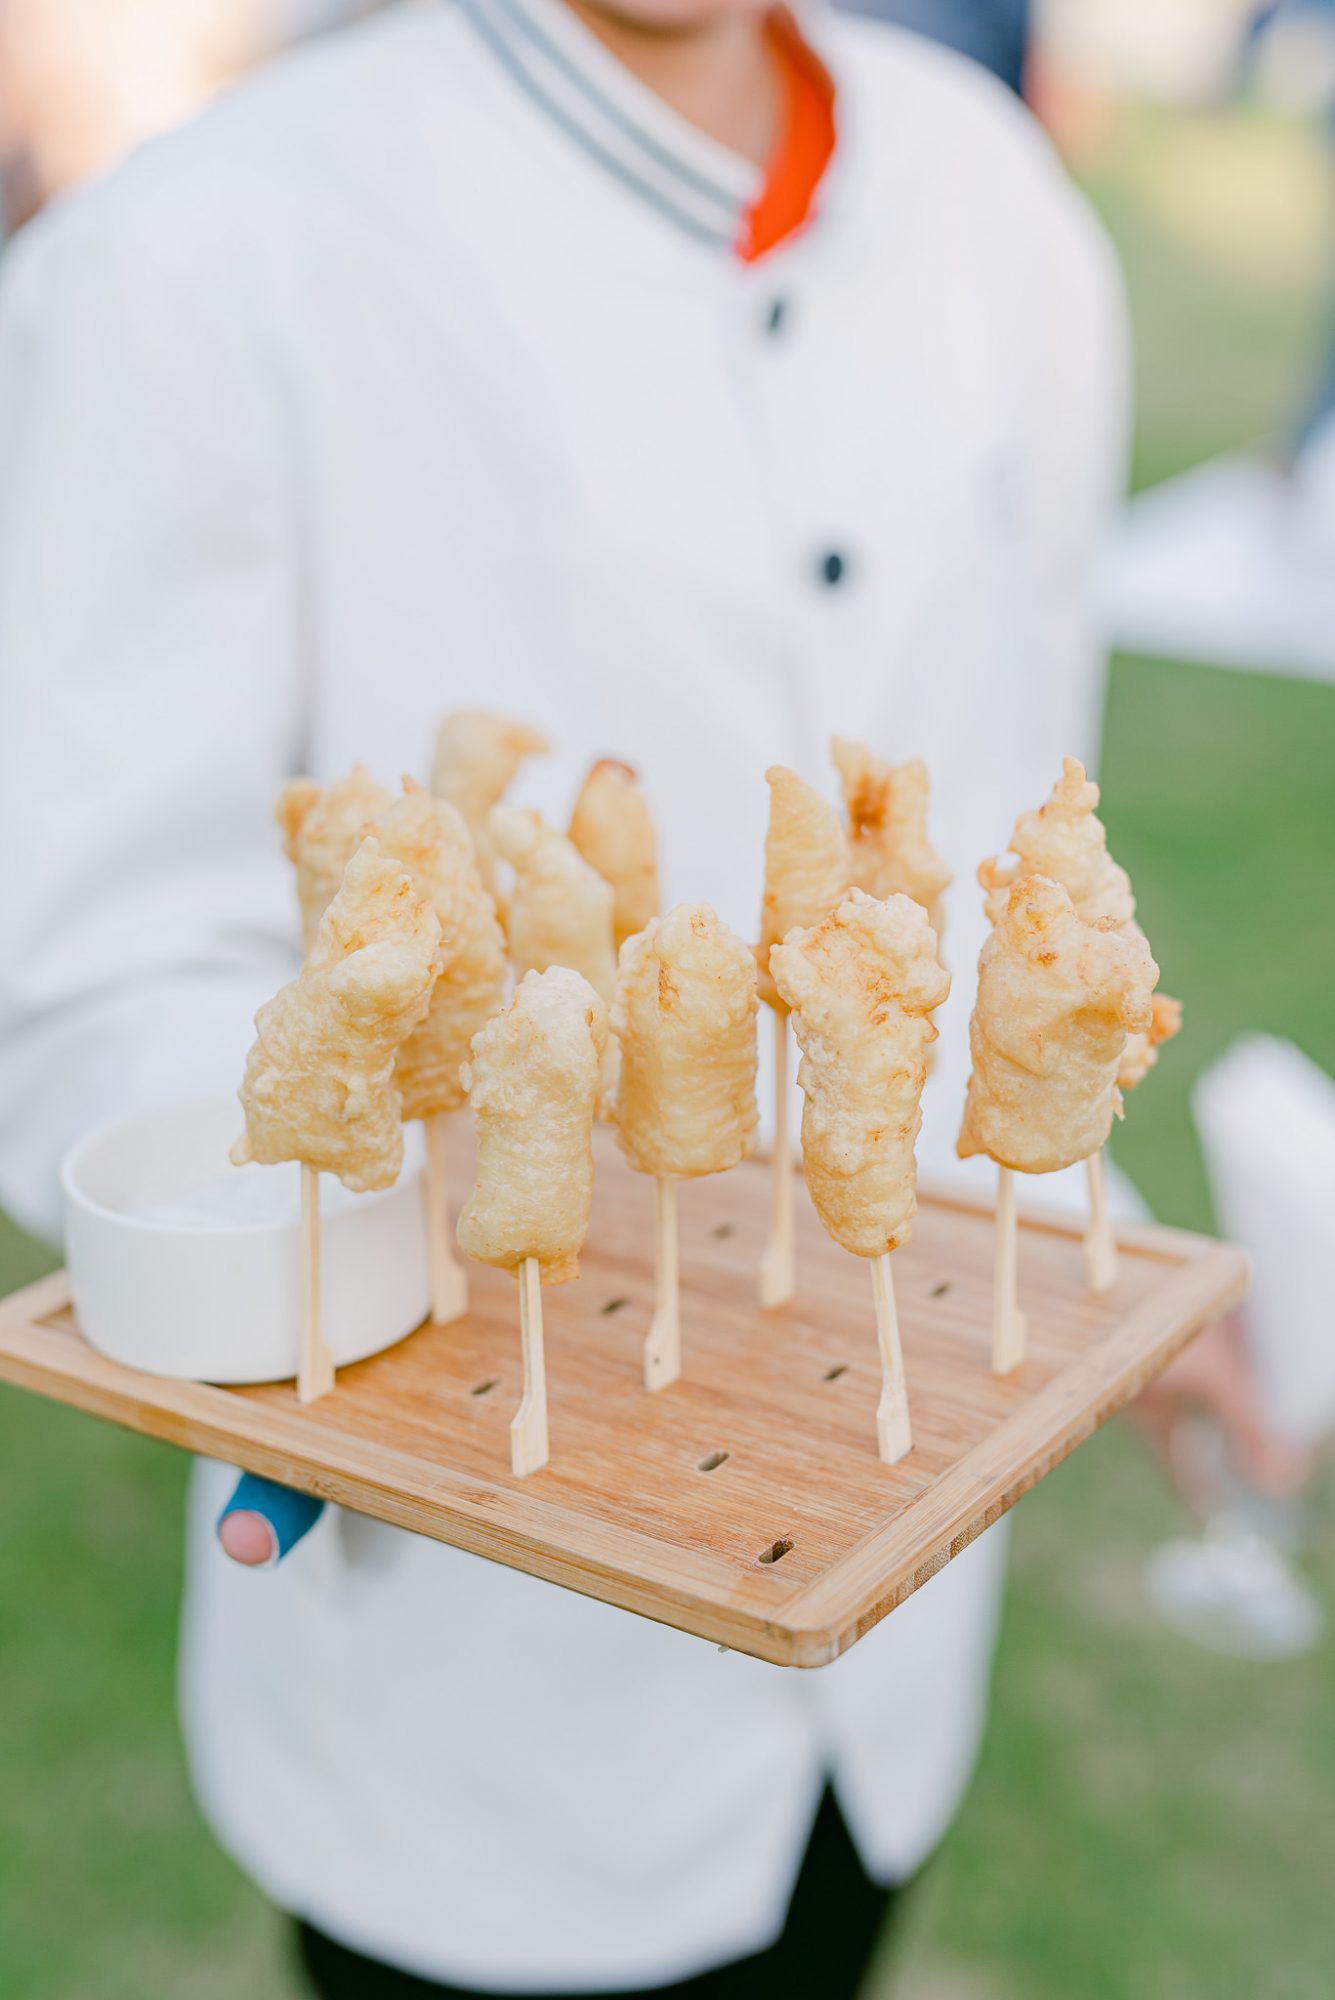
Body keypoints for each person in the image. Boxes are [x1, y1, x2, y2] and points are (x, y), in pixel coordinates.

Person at [0, 1, 1161, 1993]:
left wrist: (1095, 1263)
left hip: (892, 1665)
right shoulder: (183, 256)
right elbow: (82, 958)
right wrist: (302, 1274)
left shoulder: (998, 205)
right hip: (474, 1732)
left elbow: (1013, 829)